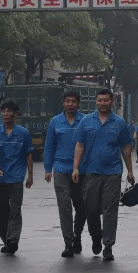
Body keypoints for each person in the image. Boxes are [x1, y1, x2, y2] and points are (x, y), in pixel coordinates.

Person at [72, 88, 135, 262]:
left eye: (106, 100)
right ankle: (96, 236)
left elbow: (126, 148)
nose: (102, 103)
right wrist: (75, 168)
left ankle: (108, 246)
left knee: (110, 210)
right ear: (96, 101)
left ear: (112, 102)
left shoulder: (120, 123)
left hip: (113, 172)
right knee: (91, 209)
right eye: (100, 100)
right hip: (91, 172)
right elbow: (79, 145)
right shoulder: (86, 121)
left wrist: (130, 171)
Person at [0, 100, 34, 255]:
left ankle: (13, 240)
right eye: (4, 111)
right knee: (3, 210)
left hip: (16, 177)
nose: (5, 114)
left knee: (15, 209)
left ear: (15, 114)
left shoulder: (23, 133)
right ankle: (6, 239)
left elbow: (28, 155)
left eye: (9, 111)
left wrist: (30, 176)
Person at [43, 91, 87, 257]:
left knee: (81, 207)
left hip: (81, 170)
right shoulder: (55, 122)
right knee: (64, 207)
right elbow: (49, 146)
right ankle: (68, 242)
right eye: (68, 101)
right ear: (63, 103)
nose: (70, 104)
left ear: (78, 104)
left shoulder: (85, 120)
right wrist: (48, 168)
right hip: (61, 169)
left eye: (73, 101)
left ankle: (77, 235)